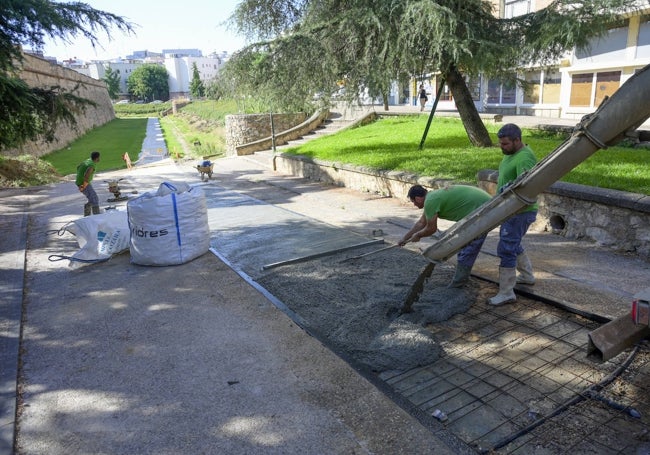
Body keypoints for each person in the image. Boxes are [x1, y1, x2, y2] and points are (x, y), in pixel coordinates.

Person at [398, 184, 492, 288]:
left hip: (484, 209)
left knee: (468, 246)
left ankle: (458, 284)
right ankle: (460, 280)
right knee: (464, 245)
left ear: (417, 198)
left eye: (413, 202)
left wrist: (418, 235)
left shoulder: (430, 201)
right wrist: (404, 239)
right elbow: (421, 223)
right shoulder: (431, 197)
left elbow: (431, 229)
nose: (414, 204)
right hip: (483, 205)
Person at [488, 123, 538, 306]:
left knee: (506, 248)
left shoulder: (525, 158)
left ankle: (506, 292)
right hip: (510, 210)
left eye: (505, 144)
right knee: (513, 244)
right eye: (500, 143)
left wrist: (507, 190)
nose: (502, 147)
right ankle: (527, 276)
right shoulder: (513, 154)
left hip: (520, 211)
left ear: (517, 140)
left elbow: (526, 186)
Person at [75, 151, 101, 216]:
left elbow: (78, 167)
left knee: (92, 198)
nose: (99, 159)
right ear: (96, 158)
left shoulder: (88, 160)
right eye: (99, 158)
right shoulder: (91, 165)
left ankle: (87, 215)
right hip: (83, 183)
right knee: (94, 199)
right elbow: (86, 176)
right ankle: (97, 216)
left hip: (81, 181)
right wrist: (83, 186)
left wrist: (79, 175)